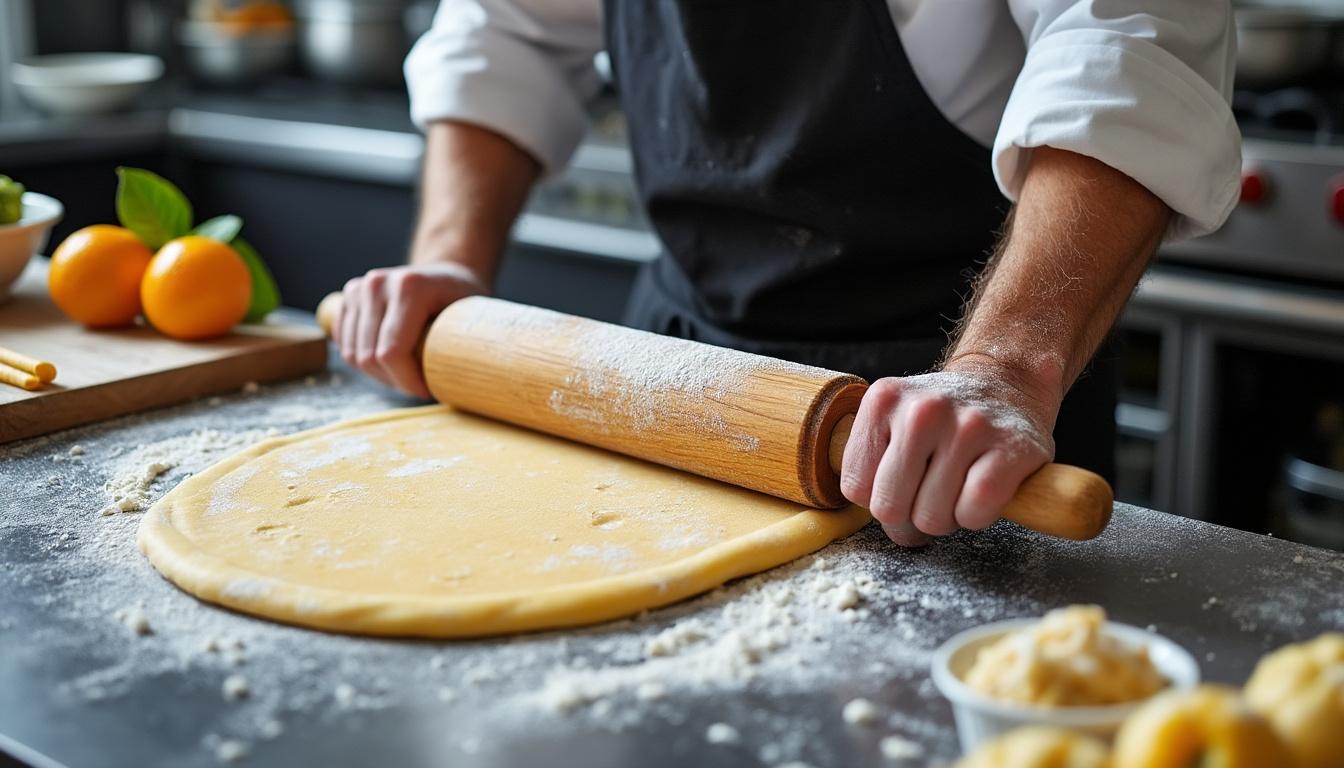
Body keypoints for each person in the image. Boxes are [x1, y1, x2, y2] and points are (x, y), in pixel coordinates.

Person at [332, 1, 1240, 545]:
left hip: (960, 436)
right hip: (681, 384)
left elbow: (1128, 47)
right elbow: (509, 32)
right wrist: (448, 261)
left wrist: (1003, 372)